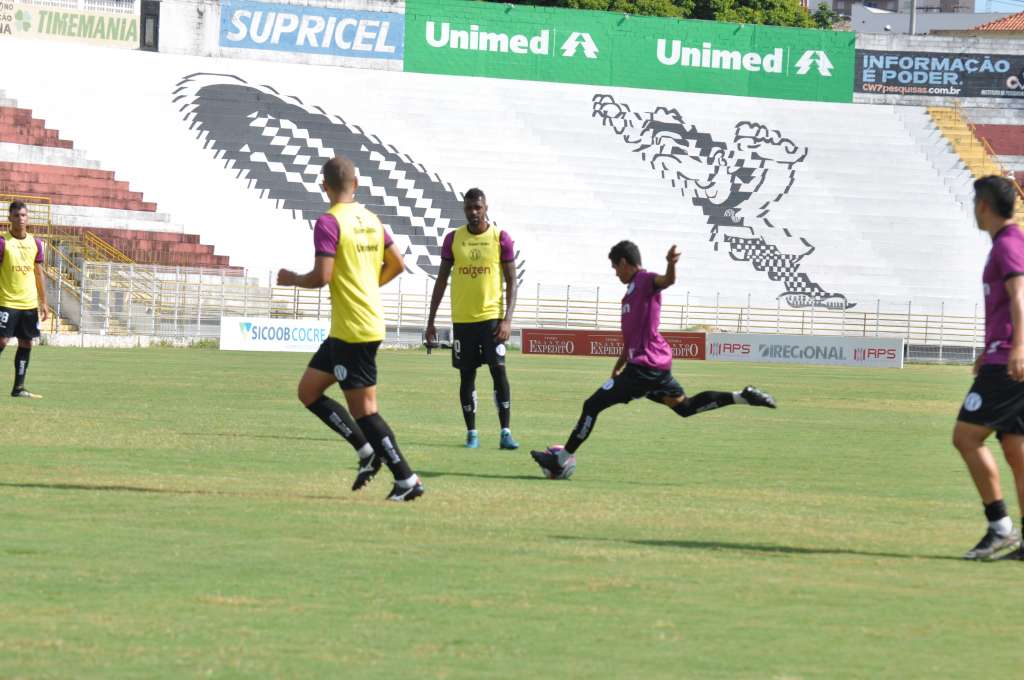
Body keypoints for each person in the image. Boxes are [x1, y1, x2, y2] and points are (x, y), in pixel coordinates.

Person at [531, 240, 776, 479]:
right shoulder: (629, 295)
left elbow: (667, 281)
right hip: (653, 369)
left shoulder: (645, 280)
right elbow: (630, 340)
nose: (616, 273)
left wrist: (671, 264)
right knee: (685, 407)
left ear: (625, 263)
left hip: (643, 369)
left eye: (616, 268)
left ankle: (560, 460)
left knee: (592, 405)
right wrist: (617, 368)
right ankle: (742, 396)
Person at [276, 156, 423, 502]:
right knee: (308, 391)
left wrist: (293, 280)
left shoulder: (329, 222)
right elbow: (398, 264)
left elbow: (322, 276)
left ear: (323, 186)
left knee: (366, 410)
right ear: (355, 185)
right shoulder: (372, 220)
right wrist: (369, 285)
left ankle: (407, 479)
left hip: (354, 330)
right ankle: (365, 452)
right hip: (354, 325)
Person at [953, 175, 1024, 560]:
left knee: (966, 437)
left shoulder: (1009, 244)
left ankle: (1000, 527)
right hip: (1001, 353)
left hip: (1009, 361)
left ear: (983, 205)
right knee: (1016, 448)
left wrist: (1017, 347)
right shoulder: (1008, 243)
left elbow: (1020, 294)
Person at [425, 188, 519, 450]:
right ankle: (472, 433)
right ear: (464, 209)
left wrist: (507, 320)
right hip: (463, 321)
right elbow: (442, 280)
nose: (473, 212)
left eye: (478, 208)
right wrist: (431, 320)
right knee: (466, 377)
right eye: (469, 208)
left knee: (498, 372)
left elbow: (512, 281)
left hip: (492, 319)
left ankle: (505, 432)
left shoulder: (501, 238)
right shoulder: (453, 239)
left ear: (486, 207)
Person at [0, 200, 49, 399]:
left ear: (27, 218)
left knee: (26, 343)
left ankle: (18, 388)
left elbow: (39, 273)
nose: (20, 219)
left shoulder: (35, 243)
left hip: (29, 304)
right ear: (9, 218)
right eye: (16, 216)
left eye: (23, 215)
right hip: (7, 302)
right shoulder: (3, 243)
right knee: (1, 340)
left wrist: (43, 301)